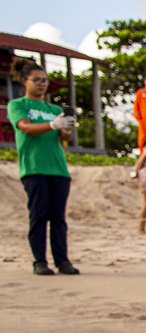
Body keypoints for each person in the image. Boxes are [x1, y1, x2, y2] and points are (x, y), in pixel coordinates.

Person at [8, 59, 79, 275]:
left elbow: (64, 138)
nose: (42, 84)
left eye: (45, 80)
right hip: (34, 167)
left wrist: (66, 127)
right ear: (24, 81)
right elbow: (25, 128)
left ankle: (62, 260)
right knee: (39, 215)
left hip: (58, 168)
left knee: (58, 218)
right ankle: (39, 260)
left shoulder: (54, 109)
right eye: (36, 80)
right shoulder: (18, 105)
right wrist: (51, 124)